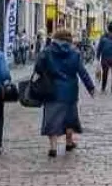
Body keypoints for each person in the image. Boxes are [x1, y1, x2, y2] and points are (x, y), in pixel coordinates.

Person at [36, 29, 95, 158]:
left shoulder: (47, 51)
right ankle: (68, 142)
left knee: (51, 118)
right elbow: (82, 71)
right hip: (70, 90)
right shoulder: (75, 53)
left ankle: (53, 147)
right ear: (69, 39)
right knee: (70, 117)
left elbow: (38, 67)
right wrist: (90, 87)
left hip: (51, 89)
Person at [96, 24, 112, 93]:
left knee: (107, 73)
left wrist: (98, 57)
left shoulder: (104, 38)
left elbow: (99, 48)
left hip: (106, 58)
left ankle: (105, 88)